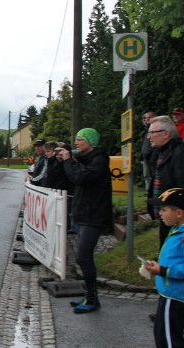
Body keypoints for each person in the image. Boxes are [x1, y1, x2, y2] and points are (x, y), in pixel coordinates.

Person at [56, 128, 112, 314]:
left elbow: (80, 177)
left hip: (94, 215)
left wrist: (69, 161)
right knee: (84, 257)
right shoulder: (85, 159)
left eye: (80, 139)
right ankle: (90, 295)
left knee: (83, 257)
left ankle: (92, 298)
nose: (76, 143)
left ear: (90, 142)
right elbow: (70, 176)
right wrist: (64, 160)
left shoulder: (99, 160)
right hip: (84, 213)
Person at [143, 188, 184, 348]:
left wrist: (163, 271)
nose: (160, 213)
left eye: (164, 209)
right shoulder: (176, 230)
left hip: (175, 296)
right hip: (169, 293)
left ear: (179, 213)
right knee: (163, 333)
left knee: (168, 339)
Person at [146, 115, 184, 248]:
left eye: (152, 133)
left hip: (178, 218)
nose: (149, 137)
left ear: (166, 134)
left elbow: (183, 189)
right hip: (168, 215)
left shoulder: (179, 153)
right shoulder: (162, 152)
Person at [141, 112, 156, 192]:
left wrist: (153, 155)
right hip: (145, 156)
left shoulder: (154, 130)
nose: (146, 120)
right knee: (146, 175)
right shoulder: (146, 130)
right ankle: (148, 191)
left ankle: (152, 191)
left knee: (152, 175)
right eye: (145, 118)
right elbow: (145, 144)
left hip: (151, 156)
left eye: (148, 118)